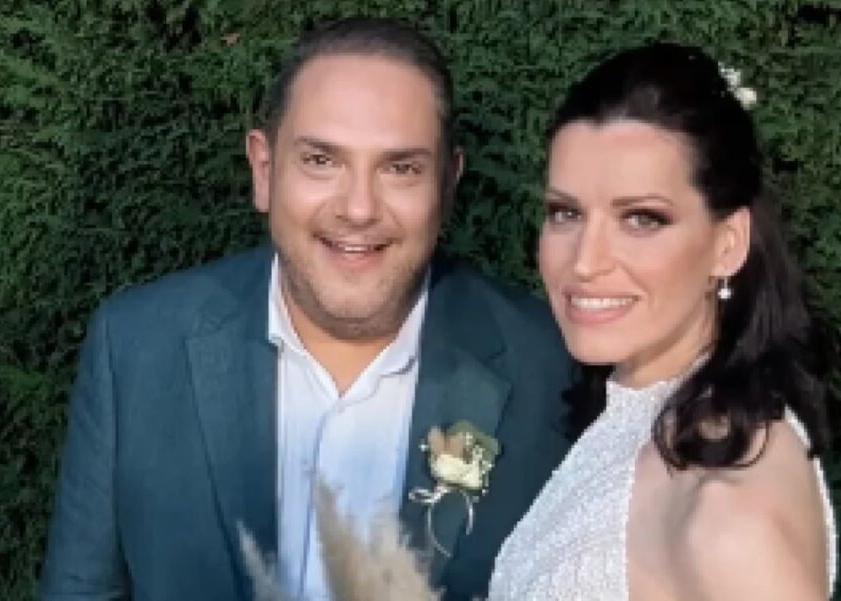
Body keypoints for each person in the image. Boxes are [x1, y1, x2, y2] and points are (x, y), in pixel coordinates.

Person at [39, 17, 573, 601]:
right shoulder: (138, 347)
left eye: (400, 168)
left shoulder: (549, 368)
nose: (359, 209)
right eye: (322, 160)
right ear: (264, 170)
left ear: (447, 186)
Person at [489, 42, 839, 600]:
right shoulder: (650, 418)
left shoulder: (726, 519)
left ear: (728, 244)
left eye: (641, 219)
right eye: (565, 213)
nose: (585, 262)